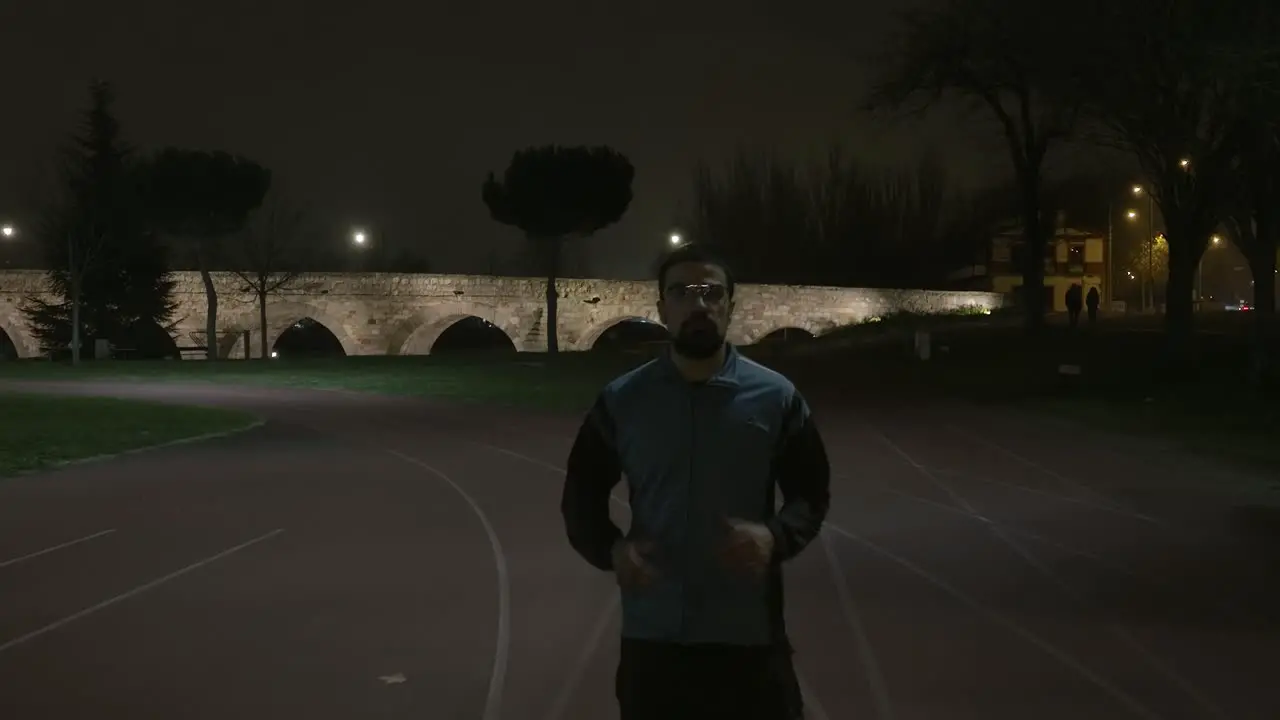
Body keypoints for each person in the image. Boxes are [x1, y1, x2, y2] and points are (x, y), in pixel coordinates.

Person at [561, 242, 831, 720]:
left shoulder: (777, 397)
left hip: (749, 637)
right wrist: (611, 549)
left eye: (711, 292)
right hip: (654, 639)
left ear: (731, 304)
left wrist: (775, 536)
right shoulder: (623, 401)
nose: (698, 304)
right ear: (662, 307)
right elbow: (581, 492)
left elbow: (811, 491)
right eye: (683, 292)